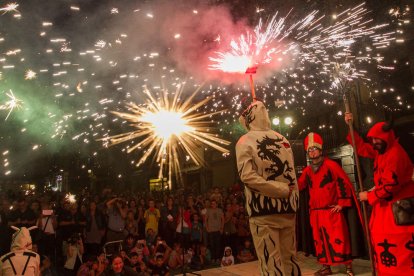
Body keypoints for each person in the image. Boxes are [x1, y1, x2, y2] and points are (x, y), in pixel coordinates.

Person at [235, 100, 300, 275]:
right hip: (276, 208)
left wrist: (286, 193)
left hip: (274, 209)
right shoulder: (277, 139)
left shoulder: (249, 141)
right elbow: (248, 177)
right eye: (261, 108)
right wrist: (286, 193)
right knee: (281, 260)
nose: (265, 110)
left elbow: (248, 177)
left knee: (280, 260)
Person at [345, 114, 414, 275]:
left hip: (399, 208)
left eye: (377, 140)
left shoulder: (395, 154)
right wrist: (351, 126)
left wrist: (368, 196)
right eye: (373, 140)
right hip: (387, 208)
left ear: (386, 137)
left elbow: (391, 186)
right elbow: (361, 147)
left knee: (400, 248)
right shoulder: (382, 151)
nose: (374, 143)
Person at [298, 132, 355, 275]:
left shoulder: (331, 165)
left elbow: (342, 183)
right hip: (316, 212)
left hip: (331, 211)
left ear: (320, 150)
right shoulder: (308, 170)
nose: (312, 152)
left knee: (339, 238)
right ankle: (326, 266)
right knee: (320, 240)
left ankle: (348, 266)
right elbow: (299, 185)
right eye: (309, 150)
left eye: (314, 149)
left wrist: (341, 203)